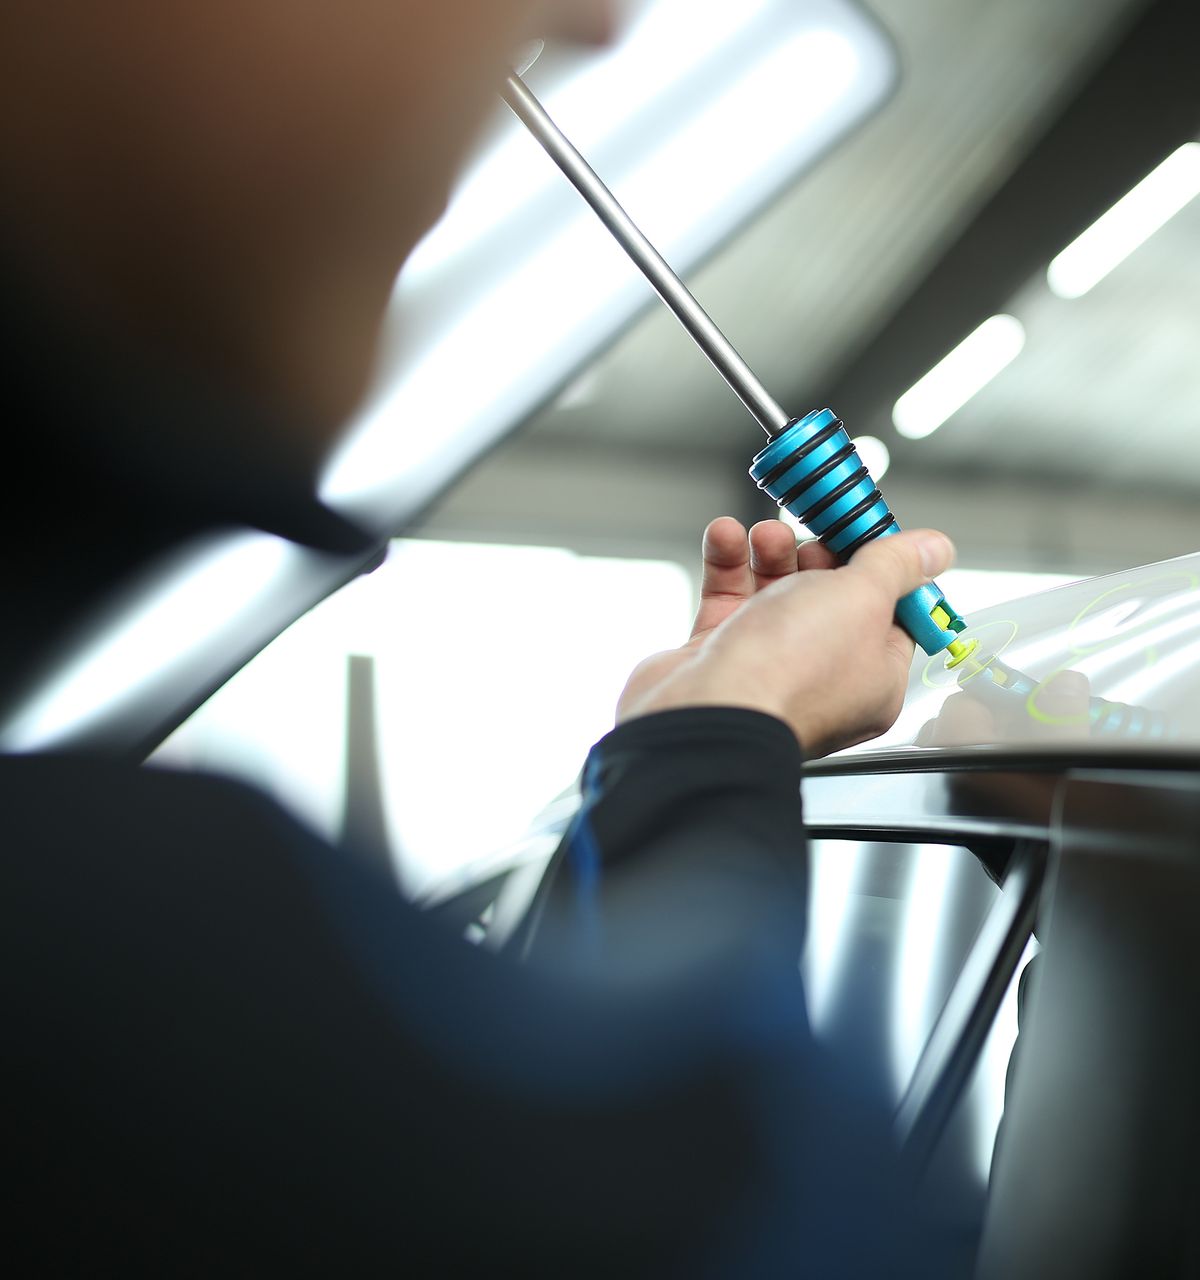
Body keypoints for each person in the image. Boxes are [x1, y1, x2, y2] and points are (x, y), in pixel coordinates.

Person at [0, 3, 958, 1273]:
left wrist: (699, 741)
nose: (591, 21)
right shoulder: (135, 976)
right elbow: (740, 1190)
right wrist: (717, 752)